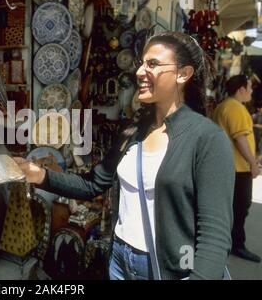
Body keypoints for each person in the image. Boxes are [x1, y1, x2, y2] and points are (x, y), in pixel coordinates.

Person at [14, 32, 235, 280]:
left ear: (183, 74)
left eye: (152, 64)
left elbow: (214, 236)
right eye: (141, 63)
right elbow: (92, 184)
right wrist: (39, 175)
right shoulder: (134, 129)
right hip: (119, 259)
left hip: (166, 268)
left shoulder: (208, 139)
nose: (140, 71)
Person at [212, 75, 261, 263]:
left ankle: (228, 242)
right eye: (249, 87)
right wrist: (253, 164)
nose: (251, 91)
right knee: (240, 208)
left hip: (229, 168)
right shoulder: (235, 108)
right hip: (237, 169)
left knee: (233, 208)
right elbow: (240, 139)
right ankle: (236, 245)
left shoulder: (225, 106)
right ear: (241, 89)